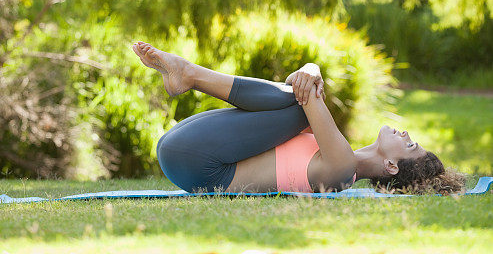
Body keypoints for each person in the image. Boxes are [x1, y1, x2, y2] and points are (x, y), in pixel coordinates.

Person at [131, 41, 466, 195]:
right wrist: (310, 71)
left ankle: (190, 74)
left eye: (409, 144)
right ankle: (188, 75)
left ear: (392, 166)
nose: (405, 133)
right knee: (295, 104)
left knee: (297, 104)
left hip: (198, 164)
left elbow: (307, 95)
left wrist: (312, 68)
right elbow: (303, 91)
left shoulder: (342, 169)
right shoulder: (338, 153)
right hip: (186, 153)